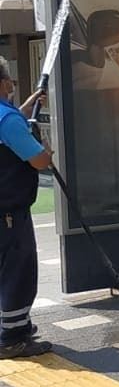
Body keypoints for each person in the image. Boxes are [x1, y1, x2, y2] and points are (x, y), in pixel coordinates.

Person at [0, 58, 53, 358]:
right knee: (18, 272)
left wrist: (26, 107)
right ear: (5, 83)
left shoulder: (8, 118)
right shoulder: (8, 121)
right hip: (9, 214)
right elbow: (39, 161)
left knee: (4, 271)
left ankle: (11, 327)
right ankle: (13, 337)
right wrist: (46, 153)